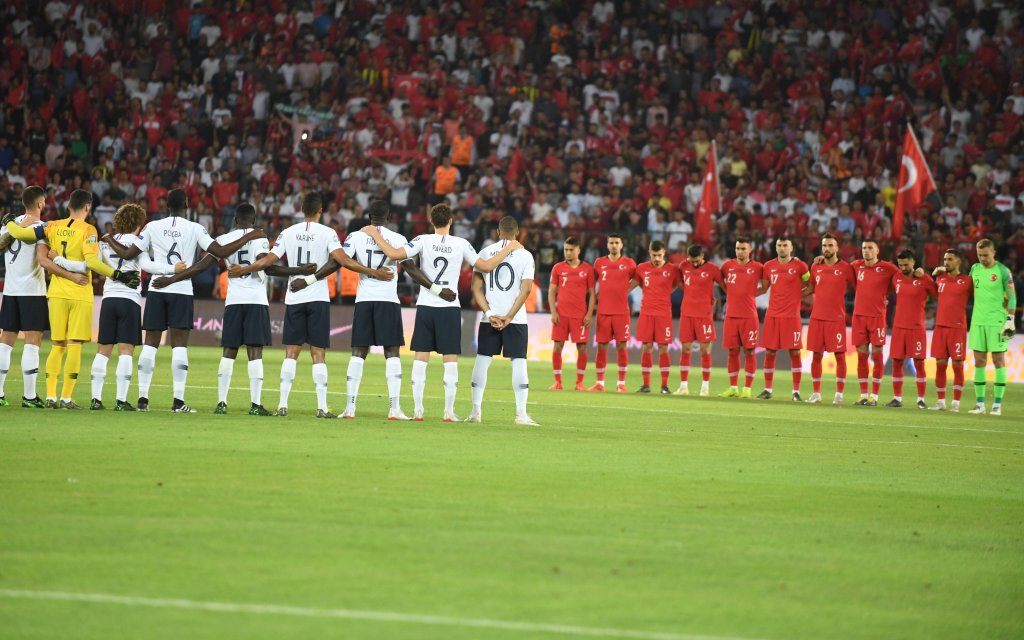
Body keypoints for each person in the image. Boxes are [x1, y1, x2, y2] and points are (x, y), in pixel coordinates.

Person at [102, 188, 263, 412]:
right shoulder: (195, 228)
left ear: (166, 206)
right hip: (182, 290)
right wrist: (249, 235)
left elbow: (129, 255)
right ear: (187, 205)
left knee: (150, 343)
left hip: (157, 288)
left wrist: (109, 238)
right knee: (179, 346)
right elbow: (220, 251)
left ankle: (142, 400)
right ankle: (178, 402)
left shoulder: (152, 227)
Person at [233, 194, 391, 418]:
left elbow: (269, 261)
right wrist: (374, 272)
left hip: (294, 296)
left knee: (291, 352)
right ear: (320, 210)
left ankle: (282, 405)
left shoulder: (288, 232)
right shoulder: (328, 233)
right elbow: (342, 261)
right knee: (318, 353)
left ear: (301, 209)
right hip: (317, 297)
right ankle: (322, 407)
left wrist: (243, 269)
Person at [359, 203, 519, 421]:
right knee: (450, 359)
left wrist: (373, 234)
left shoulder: (422, 240)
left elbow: (394, 254)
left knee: (420, 359)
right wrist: (508, 248)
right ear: (451, 222)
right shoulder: (461, 243)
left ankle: (418, 411)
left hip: (426, 306)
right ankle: (448, 412)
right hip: (449, 308)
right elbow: (487, 266)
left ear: (431, 221)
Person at [155, 203, 313, 415]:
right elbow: (266, 265)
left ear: (236, 221)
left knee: (229, 351)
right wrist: (298, 270)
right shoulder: (259, 238)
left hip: (233, 301)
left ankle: (221, 403)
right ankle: (255, 405)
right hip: (256, 300)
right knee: (255, 351)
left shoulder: (223, 240)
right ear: (254, 220)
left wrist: (172, 278)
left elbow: (201, 266)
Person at [4, 189, 140, 409]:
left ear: (68, 206)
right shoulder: (89, 230)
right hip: (80, 291)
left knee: (57, 345)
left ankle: (49, 396)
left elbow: (20, 235)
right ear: (88, 207)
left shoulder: (51, 226)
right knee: (74, 345)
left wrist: (9, 221)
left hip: (56, 293)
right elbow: (92, 263)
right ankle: (66, 398)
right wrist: (117, 274)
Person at [309, 199, 419, 420]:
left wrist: (311, 279)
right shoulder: (397, 239)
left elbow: (337, 262)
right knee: (392, 353)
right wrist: (433, 287)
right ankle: (394, 408)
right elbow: (410, 268)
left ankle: (350, 408)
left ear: (369, 217)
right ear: (389, 218)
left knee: (358, 352)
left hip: (364, 301)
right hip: (388, 300)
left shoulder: (355, 237)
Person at [89, 203, 183, 411]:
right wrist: (172, 268)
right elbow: (148, 266)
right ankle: (121, 401)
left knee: (103, 350)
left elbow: (94, 265)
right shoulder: (137, 243)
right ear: (139, 224)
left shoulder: (106, 242)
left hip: (108, 298)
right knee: (126, 351)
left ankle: (96, 399)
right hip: (129, 300)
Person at [468, 216, 538, 425]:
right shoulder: (526, 255)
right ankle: (521, 414)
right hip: (515, 319)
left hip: (490, 318)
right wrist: (509, 316)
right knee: (519, 363)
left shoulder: (486, 253)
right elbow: (526, 289)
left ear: (498, 232)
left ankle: (475, 413)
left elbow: (475, 288)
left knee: (482, 360)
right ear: (517, 233)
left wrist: (489, 314)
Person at [0, 186, 50, 409]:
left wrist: (15, 228)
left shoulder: (9, 225)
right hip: (32, 292)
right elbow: (44, 259)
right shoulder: (41, 227)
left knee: (5, 343)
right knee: (33, 342)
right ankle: (29, 396)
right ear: (40, 204)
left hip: (10, 291)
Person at [966, 238, 1017, 415]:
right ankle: (980, 404)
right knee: (979, 362)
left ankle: (997, 405)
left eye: (985, 255)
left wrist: (1010, 318)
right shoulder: (974, 269)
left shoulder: (1003, 271)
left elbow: (1012, 297)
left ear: (993, 253)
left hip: (997, 322)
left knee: (998, 361)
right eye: (979, 255)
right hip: (978, 321)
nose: (982, 258)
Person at [758, 237, 810, 401]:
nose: (782, 248)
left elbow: (811, 285)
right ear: (776, 247)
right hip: (772, 315)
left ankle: (796, 391)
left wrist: (797, 296)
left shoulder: (800, 266)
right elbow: (764, 288)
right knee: (770, 351)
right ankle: (767, 389)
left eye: (785, 245)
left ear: (791, 247)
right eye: (779, 245)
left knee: (794, 352)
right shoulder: (768, 266)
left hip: (791, 317)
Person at [806, 233, 855, 405]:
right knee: (816, 356)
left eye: (830, 245)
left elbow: (859, 287)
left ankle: (839, 395)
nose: (827, 249)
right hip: (817, 318)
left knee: (840, 357)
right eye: (824, 245)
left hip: (836, 319)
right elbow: (810, 288)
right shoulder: (815, 266)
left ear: (837, 248)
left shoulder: (846, 268)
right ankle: (816, 393)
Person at [850, 240, 900, 406]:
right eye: (864, 248)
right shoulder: (856, 266)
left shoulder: (888, 268)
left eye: (870, 248)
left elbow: (901, 280)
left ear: (877, 251)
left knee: (877, 355)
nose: (866, 251)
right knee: (862, 356)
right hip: (859, 316)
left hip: (877, 317)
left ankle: (875, 396)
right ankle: (863, 394)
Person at [886, 250, 935, 409]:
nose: (903, 268)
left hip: (916, 328)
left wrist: (927, 273)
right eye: (900, 265)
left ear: (914, 262)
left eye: (906, 264)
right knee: (897, 363)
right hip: (899, 328)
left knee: (919, 363)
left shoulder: (924, 279)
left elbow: (938, 294)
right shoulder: (896, 278)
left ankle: (921, 399)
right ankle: (897, 399)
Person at [631, 240, 681, 394]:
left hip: (664, 315)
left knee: (663, 348)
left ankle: (664, 386)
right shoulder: (641, 268)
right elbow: (634, 284)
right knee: (646, 347)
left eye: (659, 255)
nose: (657, 258)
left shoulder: (672, 269)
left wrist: (663, 294)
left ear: (664, 253)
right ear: (649, 253)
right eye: (654, 255)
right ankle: (646, 385)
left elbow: (678, 286)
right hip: (646, 314)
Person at [547, 237, 596, 391]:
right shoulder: (557, 268)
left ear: (578, 250)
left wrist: (589, 314)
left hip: (580, 316)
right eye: (566, 250)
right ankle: (557, 382)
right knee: (557, 347)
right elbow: (551, 292)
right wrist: (553, 311)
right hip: (561, 315)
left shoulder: (587, 269)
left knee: (582, 348)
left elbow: (592, 294)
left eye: (571, 250)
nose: (568, 253)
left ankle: (579, 383)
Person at [718, 236, 764, 398]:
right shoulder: (727, 266)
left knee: (749, 351)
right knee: (732, 351)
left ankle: (747, 388)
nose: (740, 252)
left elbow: (765, 287)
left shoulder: (758, 267)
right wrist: (729, 292)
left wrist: (751, 295)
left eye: (743, 249)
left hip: (749, 316)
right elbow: (720, 281)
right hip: (731, 316)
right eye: (738, 248)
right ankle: (733, 387)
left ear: (750, 250)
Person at [591, 234, 636, 392]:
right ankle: (600, 383)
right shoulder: (599, 263)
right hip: (603, 311)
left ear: (622, 245)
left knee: (621, 346)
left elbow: (638, 279)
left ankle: (621, 383)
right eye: (611, 242)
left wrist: (626, 289)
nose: (614, 245)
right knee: (602, 346)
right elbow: (592, 285)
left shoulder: (629, 263)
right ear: (607, 245)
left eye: (617, 242)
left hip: (621, 313)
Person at [675, 244, 722, 396]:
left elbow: (723, 285)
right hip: (687, 313)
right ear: (687, 257)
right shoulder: (683, 265)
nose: (694, 263)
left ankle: (705, 387)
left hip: (704, 315)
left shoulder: (713, 269)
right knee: (686, 349)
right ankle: (683, 387)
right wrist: (689, 292)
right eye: (691, 260)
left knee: (705, 350)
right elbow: (679, 282)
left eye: (697, 261)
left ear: (702, 257)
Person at [929, 248, 972, 412]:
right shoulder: (940, 279)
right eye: (945, 259)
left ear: (959, 261)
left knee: (957, 366)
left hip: (957, 328)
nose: (946, 262)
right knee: (940, 365)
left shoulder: (967, 281)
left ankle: (956, 403)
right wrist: (933, 275)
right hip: (940, 327)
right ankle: (941, 402)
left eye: (950, 259)